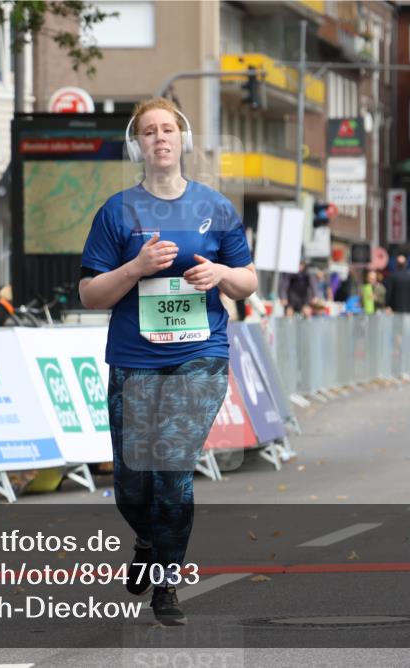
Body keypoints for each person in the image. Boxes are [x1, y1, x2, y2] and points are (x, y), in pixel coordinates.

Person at [78, 97, 256, 626]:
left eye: (169, 130)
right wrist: (134, 268)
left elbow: (247, 283)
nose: (160, 138)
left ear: (183, 141)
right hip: (134, 359)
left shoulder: (216, 208)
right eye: (150, 131)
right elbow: (91, 294)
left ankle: (167, 583)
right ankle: (149, 539)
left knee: (173, 469)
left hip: (200, 355)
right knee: (134, 482)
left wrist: (219, 275)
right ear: (139, 144)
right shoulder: (117, 211)